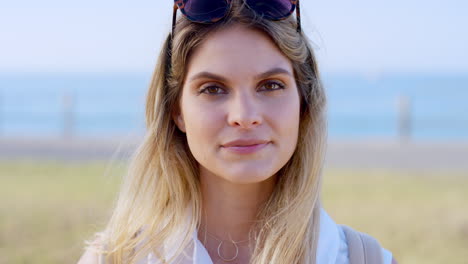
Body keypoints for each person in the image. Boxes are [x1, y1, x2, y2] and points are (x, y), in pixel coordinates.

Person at [78, 0, 397, 263]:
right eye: (213, 88)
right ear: (177, 111)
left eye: (271, 85)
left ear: (303, 104)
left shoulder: (365, 259)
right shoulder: (114, 259)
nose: (244, 116)